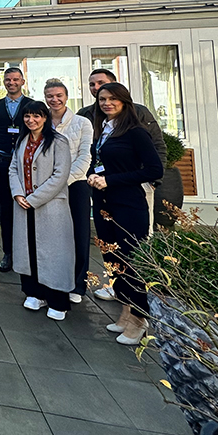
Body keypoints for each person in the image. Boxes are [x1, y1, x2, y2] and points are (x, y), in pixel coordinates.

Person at [79, 68, 166, 301]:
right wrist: (91, 175)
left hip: (128, 198)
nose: (105, 101)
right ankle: (121, 303)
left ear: (123, 98)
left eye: (111, 97)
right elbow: (94, 157)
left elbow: (154, 164)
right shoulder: (101, 126)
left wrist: (113, 180)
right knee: (111, 254)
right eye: (101, 97)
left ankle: (137, 315)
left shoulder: (136, 128)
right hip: (103, 198)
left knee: (132, 255)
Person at [9, 100, 75, 320]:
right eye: (27, 116)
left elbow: (60, 175)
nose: (31, 120)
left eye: (37, 116)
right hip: (23, 205)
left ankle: (57, 300)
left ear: (45, 118)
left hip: (49, 207)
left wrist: (34, 198)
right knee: (28, 250)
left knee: (53, 253)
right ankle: (34, 293)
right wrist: (18, 193)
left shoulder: (58, 141)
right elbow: (13, 168)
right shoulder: (22, 140)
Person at [44, 79, 94, 304]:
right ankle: (51, 280)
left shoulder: (82, 123)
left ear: (66, 96)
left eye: (58, 95)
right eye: (50, 96)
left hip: (75, 186)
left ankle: (77, 283)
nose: (54, 100)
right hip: (46, 188)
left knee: (79, 235)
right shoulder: (41, 121)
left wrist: (62, 182)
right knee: (51, 237)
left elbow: (85, 156)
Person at [0, 67, 34, 273]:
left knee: (29, 207)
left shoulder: (32, 105)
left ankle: (30, 253)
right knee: (6, 209)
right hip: (3, 160)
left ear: (22, 81)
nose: (11, 83)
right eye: (7, 80)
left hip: (28, 163)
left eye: (15, 79)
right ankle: (8, 253)